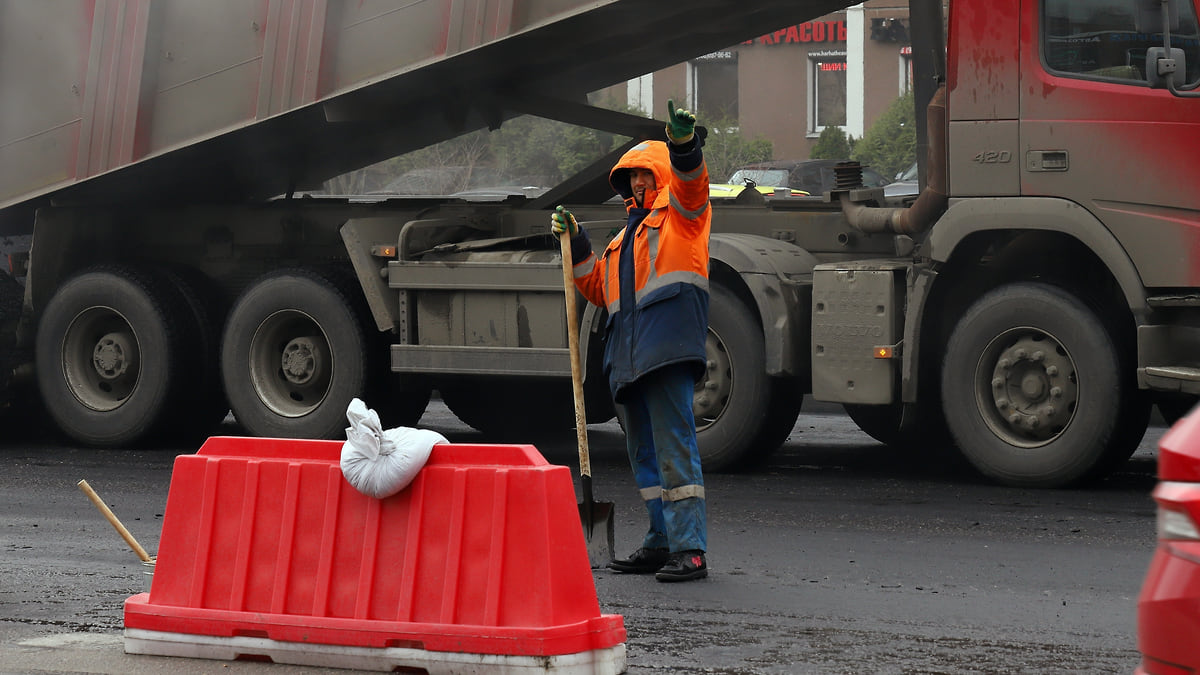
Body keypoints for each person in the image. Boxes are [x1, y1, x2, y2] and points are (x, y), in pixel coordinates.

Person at [551, 100, 711, 582]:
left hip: (665, 354)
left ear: (660, 177)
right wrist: (576, 241)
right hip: (629, 363)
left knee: (674, 449)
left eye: (645, 175)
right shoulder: (622, 242)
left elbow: (692, 185)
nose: (637, 184)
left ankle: (691, 549)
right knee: (644, 456)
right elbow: (597, 287)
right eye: (631, 179)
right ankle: (661, 541)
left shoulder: (683, 217)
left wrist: (683, 146)